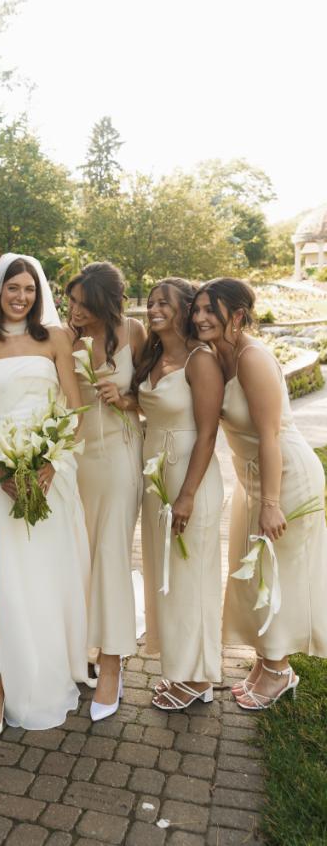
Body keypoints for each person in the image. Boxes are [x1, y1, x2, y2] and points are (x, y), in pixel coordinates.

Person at [0, 254, 90, 742]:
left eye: (29, 289)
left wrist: (48, 463)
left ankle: (37, 673)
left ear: (38, 292)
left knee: (38, 577)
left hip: (49, 471)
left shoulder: (56, 339)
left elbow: (74, 409)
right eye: (13, 288)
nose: (21, 297)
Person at [190, 277, 327, 709]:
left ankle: (280, 671)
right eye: (197, 310)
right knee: (253, 577)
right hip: (251, 479)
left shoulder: (252, 358)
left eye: (210, 310)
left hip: (284, 478)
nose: (199, 317)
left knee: (276, 573)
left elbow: (269, 436)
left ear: (237, 315)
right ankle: (264, 664)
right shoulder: (218, 355)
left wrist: (271, 504)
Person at [136, 278, 224, 711]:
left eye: (163, 304)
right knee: (166, 576)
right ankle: (179, 668)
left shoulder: (199, 360)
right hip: (156, 477)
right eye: (151, 303)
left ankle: (199, 677)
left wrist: (187, 495)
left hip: (191, 475)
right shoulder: (153, 356)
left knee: (192, 577)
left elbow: (208, 433)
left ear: (184, 309)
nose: (154, 310)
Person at [65, 262, 146, 721]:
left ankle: (112, 664)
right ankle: (83, 650)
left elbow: (155, 391)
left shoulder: (133, 331)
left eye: (85, 304)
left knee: (111, 556)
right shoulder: (65, 339)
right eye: (72, 301)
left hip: (119, 454)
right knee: (80, 554)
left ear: (106, 302)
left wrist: (127, 399)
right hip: (76, 460)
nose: (76, 311)